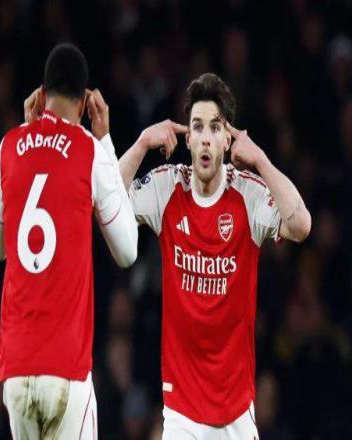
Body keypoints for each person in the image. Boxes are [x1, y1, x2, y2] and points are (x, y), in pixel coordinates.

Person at [119, 72, 311, 439]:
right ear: (187, 139)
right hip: (181, 414)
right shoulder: (166, 187)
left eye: (215, 127)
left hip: (236, 413)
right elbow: (104, 206)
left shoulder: (249, 194)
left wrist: (262, 161)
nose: (206, 137)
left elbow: (301, 225)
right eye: (197, 127)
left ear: (227, 139)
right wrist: (142, 144)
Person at [0, 43, 137, 439]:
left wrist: (27, 132)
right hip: (65, 368)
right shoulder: (89, 149)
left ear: (41, 94)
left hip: (16, 370)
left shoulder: (9, 146)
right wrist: (105, 141)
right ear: (86, 102)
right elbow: (127, 250)